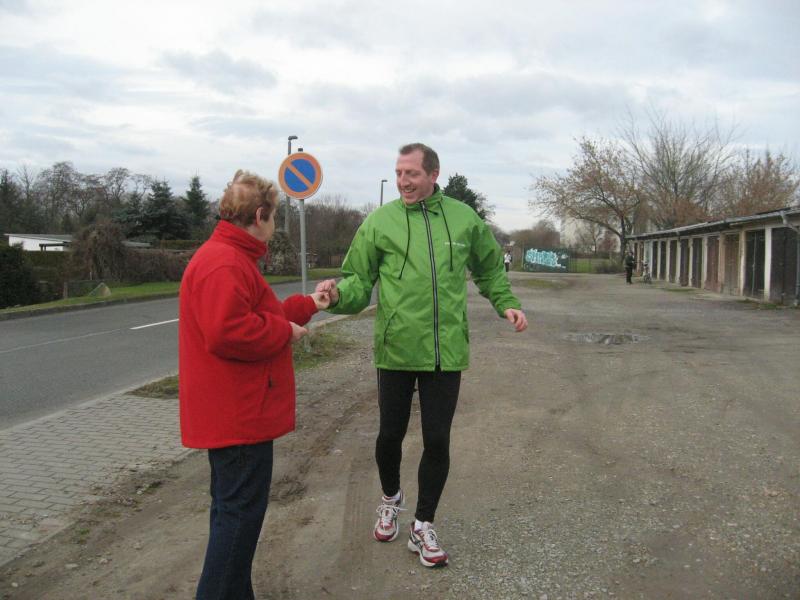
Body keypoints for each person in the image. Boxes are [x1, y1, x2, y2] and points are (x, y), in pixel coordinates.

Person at [316, 143, 527, 568]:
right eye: (398, 173)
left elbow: (489, 268)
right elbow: (358, 279)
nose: (403, 181)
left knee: (437, 439)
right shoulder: (380, 222)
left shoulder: (464, 219)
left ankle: (423, 524)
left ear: (433, 174)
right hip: (396, 348)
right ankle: (390, 498)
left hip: (445, 352)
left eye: (411, 173)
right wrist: (337, 295)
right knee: (389, 435)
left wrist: (505, 302)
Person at [179, 170, 330, 600]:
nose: (274, 226)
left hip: (234, 413)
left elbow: (255, 313)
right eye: (274, 217)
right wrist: (285, 332)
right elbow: (228, 331)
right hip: (239, 417)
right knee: (237, 525)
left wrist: (308, 305)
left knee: (233, 519)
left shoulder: (229, 256)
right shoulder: (225, 262)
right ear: (260, 215)